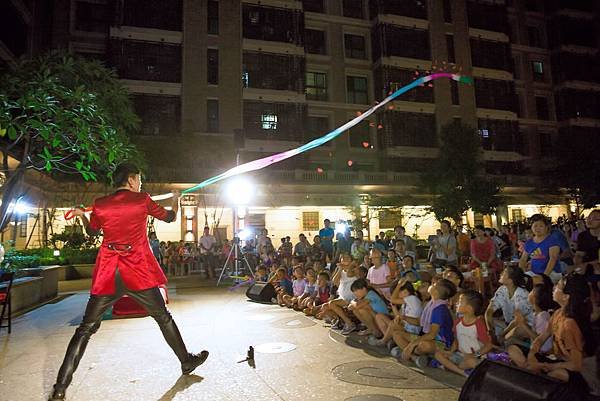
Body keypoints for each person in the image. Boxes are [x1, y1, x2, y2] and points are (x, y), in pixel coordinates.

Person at [49, 163, 208, 401]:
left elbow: (93, 233)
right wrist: (176, 199)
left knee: (85, 329)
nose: (141, 184)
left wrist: (84, 215)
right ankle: (186, 361)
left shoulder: (101, 205)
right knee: (163, 317)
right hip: (136, 272)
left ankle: (60, 388)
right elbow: (170, 217)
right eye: (140, 180)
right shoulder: (142, 200)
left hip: (109, 272)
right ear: (132, 180)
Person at [527, 274, 596, 393]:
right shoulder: (558, 313)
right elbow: (543, 336)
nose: (554, 288)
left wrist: (551, 366)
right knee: (517, 353)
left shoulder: (569, 325)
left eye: (558, 287)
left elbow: (576, 365)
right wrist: (532, 352)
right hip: (559, 361)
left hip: (579, 372)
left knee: (555, 374)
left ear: (566, 297)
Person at [394, 279, 457, 368]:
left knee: (424, 345)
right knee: (397, 334)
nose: (431, 285)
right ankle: (414, 357)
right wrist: (403, 317)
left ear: (436, 292)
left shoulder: (439, 309)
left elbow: (432, 334)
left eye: (434, 284)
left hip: (441, 343)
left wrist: (412, 344)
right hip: (425, 337)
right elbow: (419, 323)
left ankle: (409, 350)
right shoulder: (431, 303)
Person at [433, 290, 493, 377]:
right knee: (438, 354)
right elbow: (456, 341)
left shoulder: (478, 324)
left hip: (475, 358)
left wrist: (475, 355)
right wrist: (451, 351)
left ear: (469, 308)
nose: (456, 303)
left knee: (471, 362)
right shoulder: (457, 322)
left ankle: (452, 367)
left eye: (460, 302)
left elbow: (489, 345)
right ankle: (462, 372)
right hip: (460, 355)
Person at [507, 281, 555, 368]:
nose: (530, 292)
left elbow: (539, 340)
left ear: (535, 299)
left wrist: (523, 324)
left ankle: (528, 366)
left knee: (511, 344)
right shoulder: (537, 313)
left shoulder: (542, 317)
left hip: (541, 351)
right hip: (535, 346)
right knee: (512, 340)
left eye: (532, 291)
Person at [485, 266, 533, 345]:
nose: (501, 274)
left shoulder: (522, 294)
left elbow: (517, 321)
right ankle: (502, 339)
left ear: (510, 280)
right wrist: (490, 332)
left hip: (524, 326)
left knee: (509, 337)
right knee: (487, 321)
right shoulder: (502, 289)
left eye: (504, 273)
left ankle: (525, 346)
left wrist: (502, 334)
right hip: (509, 324)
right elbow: (489, 311)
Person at [520, 214, 562, 283]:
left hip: (552, 273)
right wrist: (522, 272)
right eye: (535, 226)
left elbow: (553, 258)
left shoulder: (553, 240)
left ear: (546, 227)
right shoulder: (529, 242)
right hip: (534, 273)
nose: (538, 228)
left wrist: (543, 277)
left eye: (541, 226)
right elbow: (523, 259)